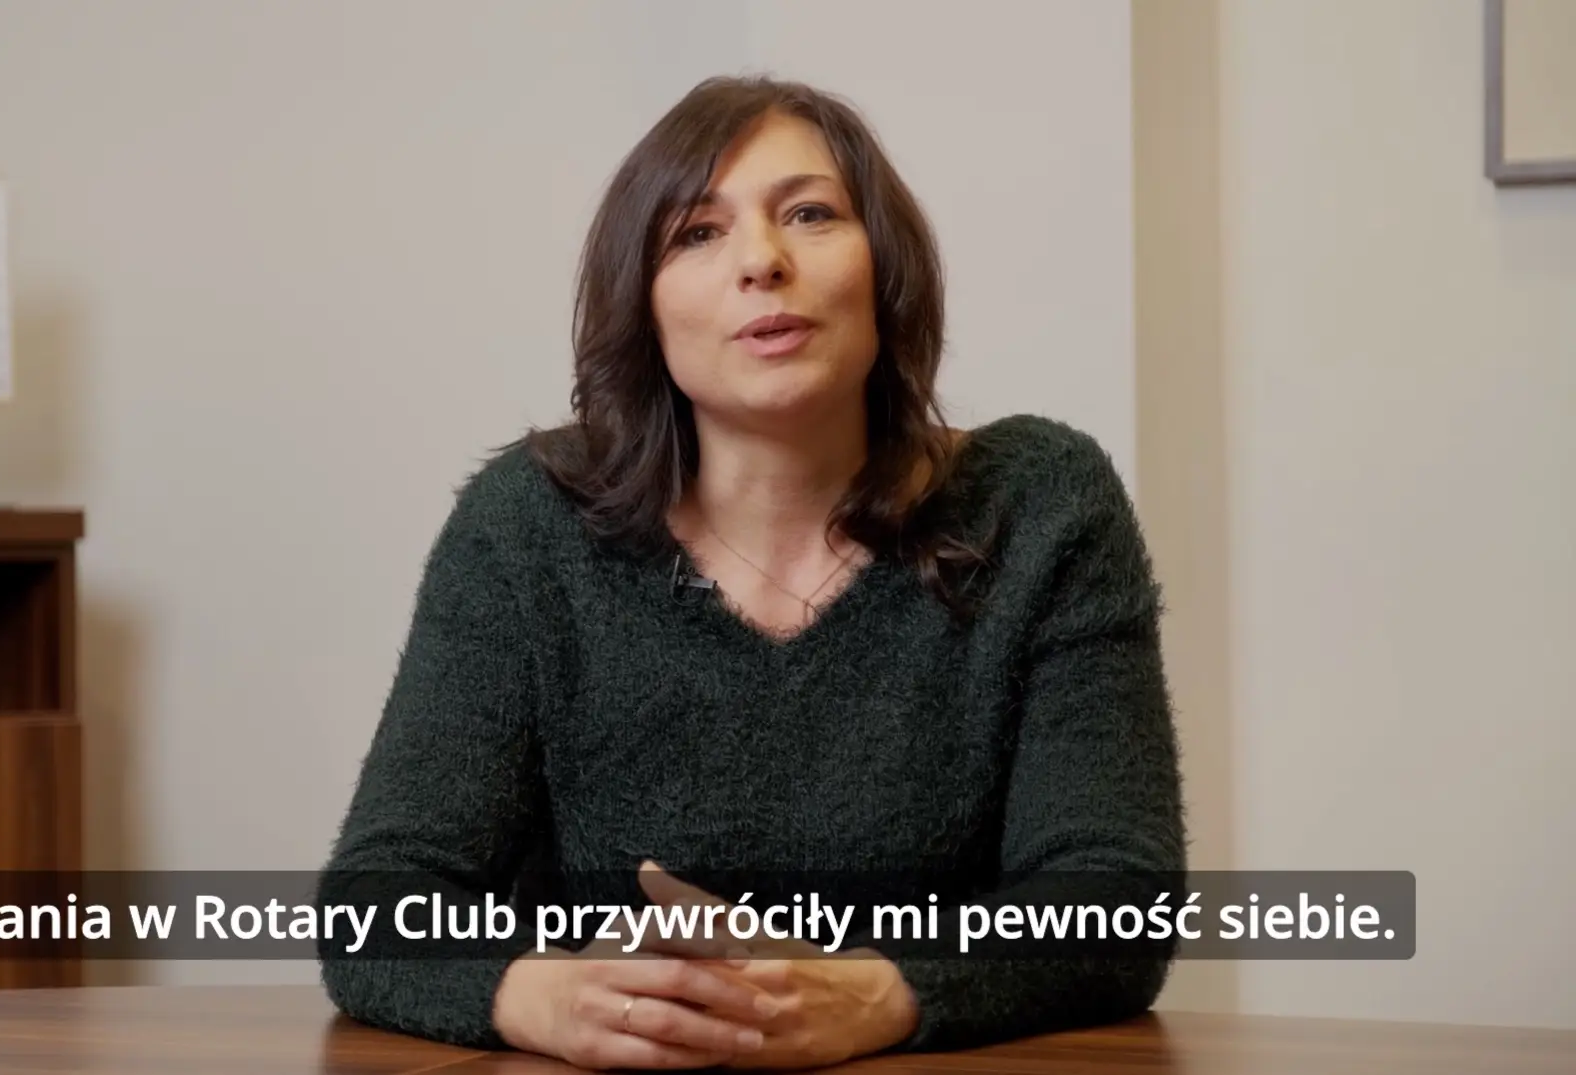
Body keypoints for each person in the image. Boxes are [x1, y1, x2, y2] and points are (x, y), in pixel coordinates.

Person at [316, 75, 1186, 1069]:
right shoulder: (528, 524)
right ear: (643, 306)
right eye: (697, 233)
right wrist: (541, 994)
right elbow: (380, 897)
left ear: (885, 268)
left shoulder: (1040, 501)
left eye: (810, 214)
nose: (762, 261)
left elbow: (1113, 894)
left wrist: (876, 993)